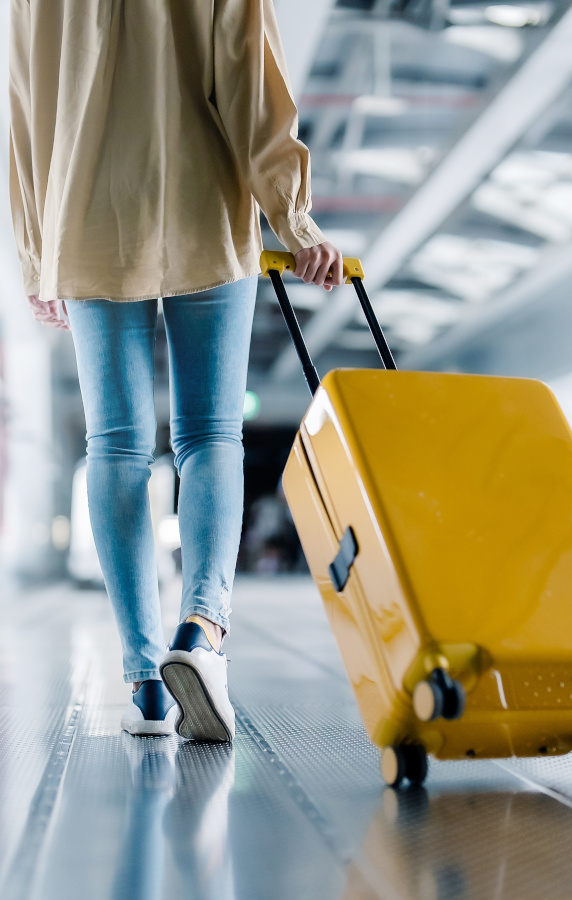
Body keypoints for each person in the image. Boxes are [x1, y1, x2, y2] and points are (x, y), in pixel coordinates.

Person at [8, 0, 342, 741]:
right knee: (209, 435)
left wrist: (37, 252)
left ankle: (144, 684)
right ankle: (203, 629)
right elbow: (251, 81)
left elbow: (24, 104)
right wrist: (294, 218)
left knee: (116, 445)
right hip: (202, 204)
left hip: (87, 214)